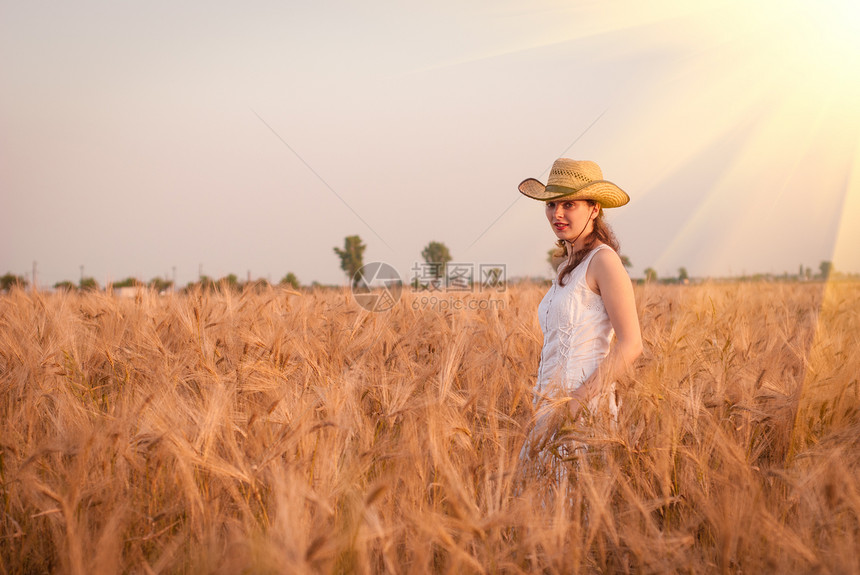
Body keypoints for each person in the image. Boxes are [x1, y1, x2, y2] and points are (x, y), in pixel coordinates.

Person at [518, 158, 643, 458]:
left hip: (581, 412)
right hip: (549, 408)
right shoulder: (569, 266)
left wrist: (577, 401)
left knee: (573, 497)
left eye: (568, 205)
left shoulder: (604, 261)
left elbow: (631, 344)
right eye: (551, 204)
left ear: (595, 208)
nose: (556, 213)